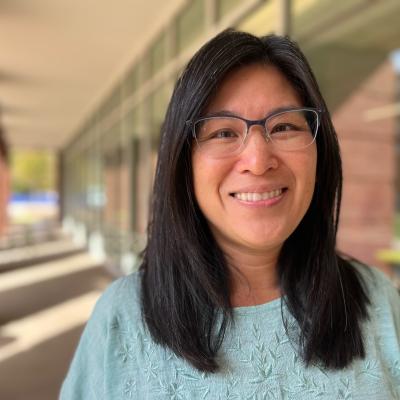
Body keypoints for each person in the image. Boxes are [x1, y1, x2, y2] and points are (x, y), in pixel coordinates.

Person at [60, 29, 400, 399]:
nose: (257, 161)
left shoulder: (378, 303)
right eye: (223, 132)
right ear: (182, 163)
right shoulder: (121, 319)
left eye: (284, 126)